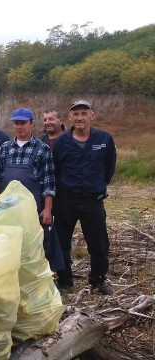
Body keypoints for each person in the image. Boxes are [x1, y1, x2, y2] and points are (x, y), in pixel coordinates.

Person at [53, 100, 116, 296]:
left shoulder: (104, 139)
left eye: (84, 113)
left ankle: (98, 280)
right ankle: (65, 281)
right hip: (66, 200)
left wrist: (96, 185)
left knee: (99, 244)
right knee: (62, 242)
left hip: (93, 200)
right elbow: (56, 168)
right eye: (76, 114)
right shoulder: (63, 141)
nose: (80, 117)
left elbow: (109, 168)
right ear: (70, 117)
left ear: (92, 115)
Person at [0, 108, 55, 224]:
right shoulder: (5, 148)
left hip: (32, 211)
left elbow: (48, 184)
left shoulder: (43, 149)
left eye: (23, 123)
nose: (19, 127)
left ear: (31, 123)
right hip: (5, 209)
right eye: (16, 123)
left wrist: (47, 210)